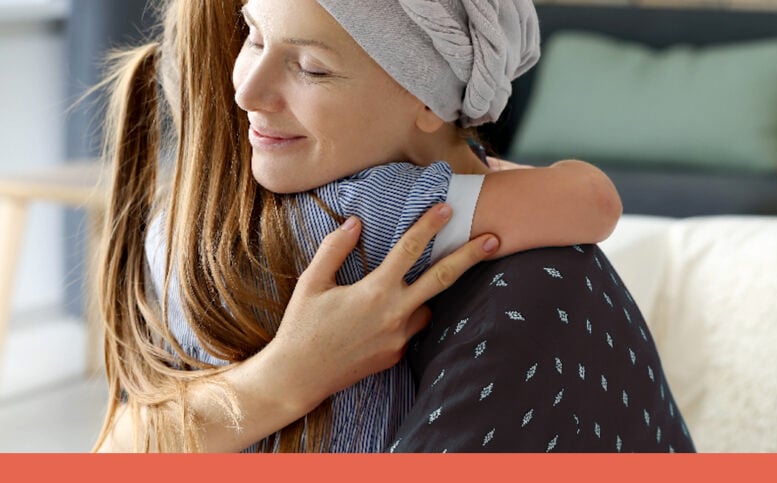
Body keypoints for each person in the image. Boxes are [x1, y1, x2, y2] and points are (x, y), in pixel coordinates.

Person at [96, 0, 694, 453]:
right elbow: (591, 199)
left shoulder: (172, 232)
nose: (246, 91)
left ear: (430, 99)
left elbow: (119, 442)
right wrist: (494, 173)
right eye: (251, 33)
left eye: (311, 68)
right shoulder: (374, 210)